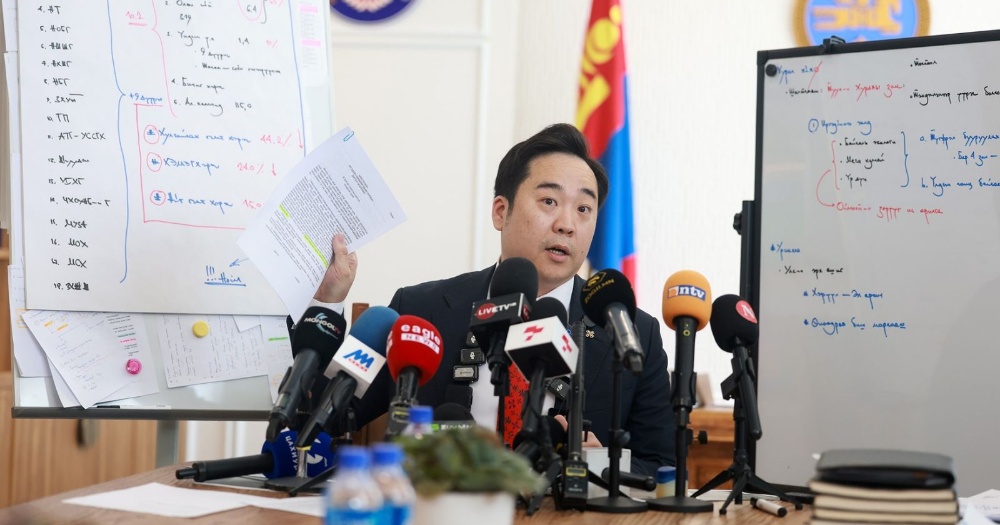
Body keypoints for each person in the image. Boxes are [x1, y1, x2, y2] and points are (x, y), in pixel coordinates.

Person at [309, 123, 674, 476]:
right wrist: (327, 300)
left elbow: (661, 466)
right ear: (501, 212)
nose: (567, 224)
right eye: (549, 201)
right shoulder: (419, 310)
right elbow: (320, 417)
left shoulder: (634, 334)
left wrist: (598, 466)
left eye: (583, 209)